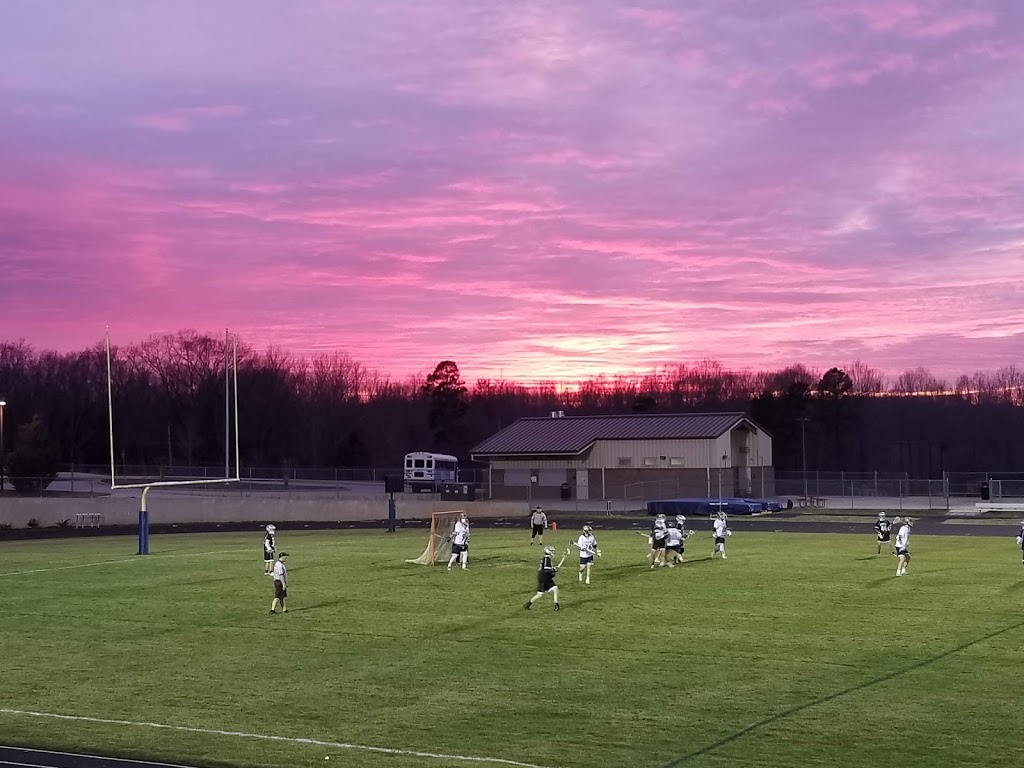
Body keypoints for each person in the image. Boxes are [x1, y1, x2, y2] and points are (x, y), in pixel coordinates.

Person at [525, 546, 565, 611]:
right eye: (552, 551)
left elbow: (548, 569)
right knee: (540, 594)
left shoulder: (547, 559)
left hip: (546, 577)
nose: (553, 553)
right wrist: (554, 570)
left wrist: (553, 570)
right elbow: (546, 570)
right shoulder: (547, 559)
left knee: (555, 589)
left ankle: (556, 605)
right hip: (544, 578)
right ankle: (528, 604)